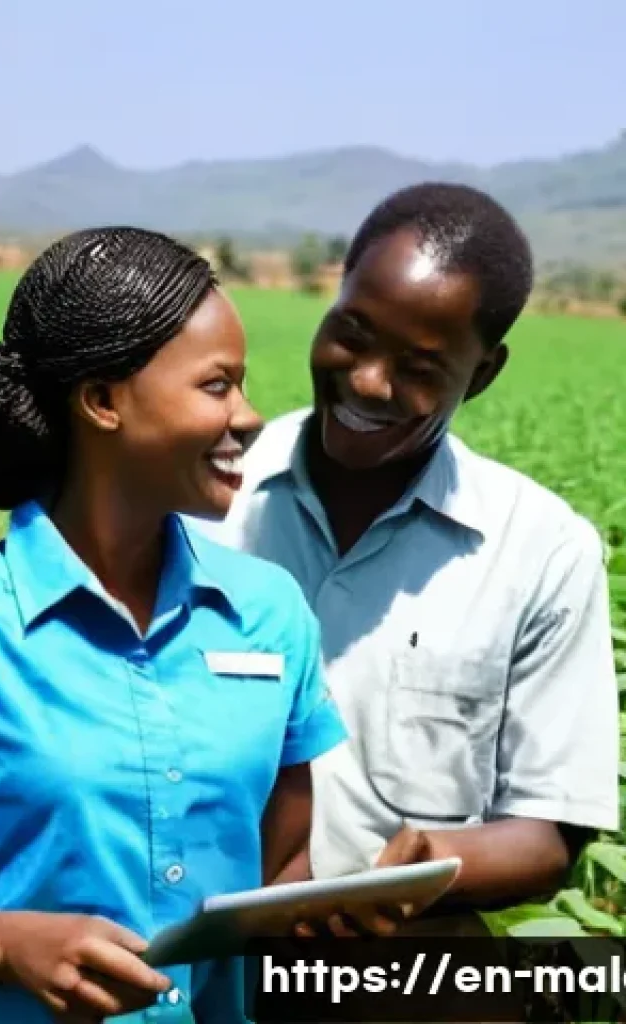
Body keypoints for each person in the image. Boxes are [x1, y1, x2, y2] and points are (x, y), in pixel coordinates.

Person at [0, 225, 349, 1022]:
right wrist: (7, 947)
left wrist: (319, 922)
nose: (249, 418)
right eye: (217, 386)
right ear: (103, 401)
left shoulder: (268, 614)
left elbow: (282, 867)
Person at [195, 183, 620, 935]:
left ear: (482, 374)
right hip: (176, 956)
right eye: (352, 334)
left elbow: (550, 831)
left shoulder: (542, 552)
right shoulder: (200, 493)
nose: (366, 381)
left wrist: (434, 861)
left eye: (420, 367)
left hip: (389, 969)